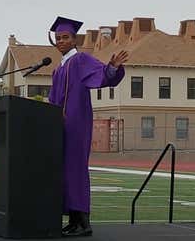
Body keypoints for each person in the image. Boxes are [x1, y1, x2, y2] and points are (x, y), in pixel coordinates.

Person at [48, 16, 129, 237]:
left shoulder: (80, 60)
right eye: (58, 38)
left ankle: (84, 223)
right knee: (65, 172)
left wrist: (112, 68)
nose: (61, 41)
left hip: (76, 124)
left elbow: (102, 75)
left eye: (65, 37)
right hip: (60, 127)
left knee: (75, 170)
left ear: (75, 40)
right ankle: (73, 221)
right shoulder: (58, 68)